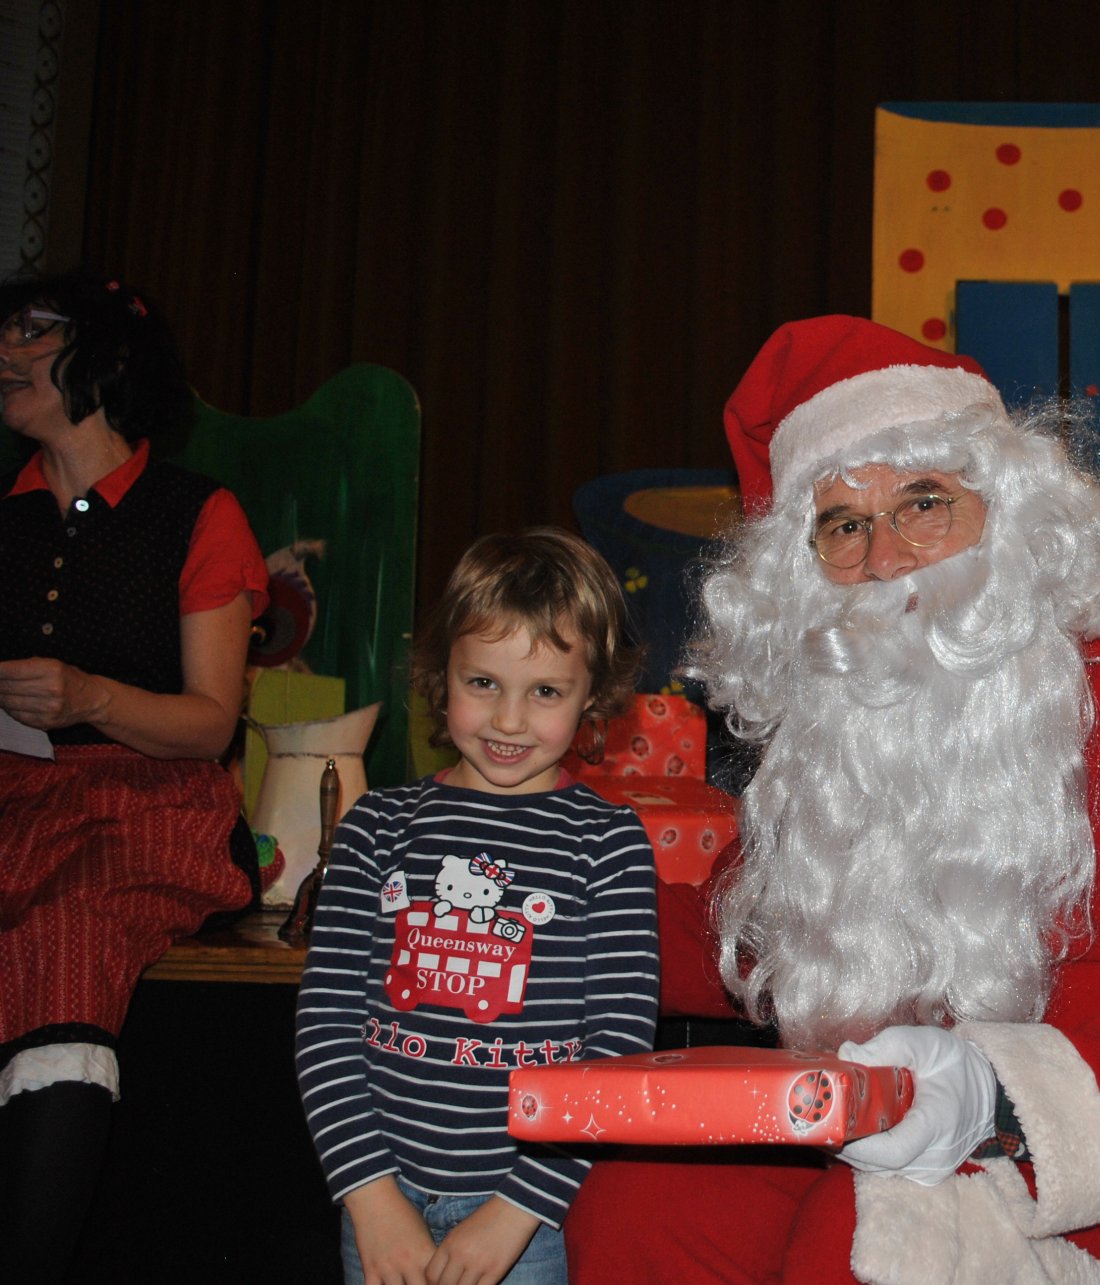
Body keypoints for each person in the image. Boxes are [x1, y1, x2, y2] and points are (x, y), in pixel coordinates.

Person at [565, 316, 1100, 1283]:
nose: (887, 556)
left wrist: (997, 1096)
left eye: (923, 503)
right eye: (844, 525)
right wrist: (564, 910)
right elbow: (757, 937)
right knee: (641, 1211)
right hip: (869, 1141)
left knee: (863, 1243)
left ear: (1008, 507)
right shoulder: (839, 722)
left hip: (1078, 1166)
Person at [294, 527, 659, 1285]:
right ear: (442, 674)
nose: (509, 720)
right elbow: (326, 1027)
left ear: (593, 696)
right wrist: (371, 1200)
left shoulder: (610, 842)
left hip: (528, 1221)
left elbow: (617, 1048)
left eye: (546, 691)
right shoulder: (374, 825)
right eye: (484, 682)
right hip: (380, 1207)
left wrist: (519, 1209)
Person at [0, 269, 268, 1280]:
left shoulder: (194, 512)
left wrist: (90, 697)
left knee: (68, 925)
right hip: (12, 797)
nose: (6, 352)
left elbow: (209, 723)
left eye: (34, 332)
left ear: (109, 357)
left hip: (144, 799)